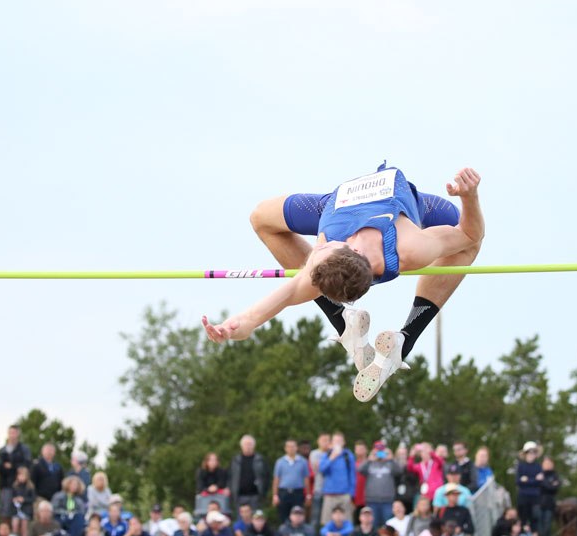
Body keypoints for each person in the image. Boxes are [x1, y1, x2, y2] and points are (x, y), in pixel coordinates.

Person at [201, 165, 484, 403]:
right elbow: (471, 233)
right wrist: (469, 198)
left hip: (334, 207)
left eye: (319, 251)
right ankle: (391, 339)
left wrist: (238, 326)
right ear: (351, 250)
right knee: (470, 243)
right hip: (404, 205)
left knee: (261, 219)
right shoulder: (409, 246)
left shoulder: (332, 255)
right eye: (321, 251)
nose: (314, 251)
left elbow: (267, 306)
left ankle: (369, 330)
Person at [318, 433, 357, 526]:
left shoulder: (348, 456)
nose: (338, 443)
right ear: (332, 443)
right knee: (327, 522)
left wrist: (351, 494)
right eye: (336, 441)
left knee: (347, 521)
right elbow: (322, 469)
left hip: (344, 494)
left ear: (344, 443)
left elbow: (352, 476)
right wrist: (332, 458)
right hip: (329, 494)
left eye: (340, 441)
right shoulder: (327, 455)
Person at [0, 425, 32, 518]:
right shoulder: (2, 450)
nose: (12, 435)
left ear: (18, 434)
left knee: (21, 513)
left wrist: (12, 466)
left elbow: (26, 465)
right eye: (10, 433)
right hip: (6, 485)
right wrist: (13, 467)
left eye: (14, 433)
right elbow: (0, 467)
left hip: (21, 487)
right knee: (5, 511)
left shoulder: (24, 449)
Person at [229, 434, 269, 515]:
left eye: (250, 444)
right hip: (239, 496)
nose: (248, 446)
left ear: (254, 446)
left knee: (255, 518)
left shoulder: (260, 460)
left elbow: (266, 477)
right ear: (241, 446)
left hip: (255, 496)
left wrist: (263, 491)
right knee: (240, 518)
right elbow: (230, 476)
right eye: (245, 444)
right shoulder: (235, 460)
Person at [272, 439, 311, 519]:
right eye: (289, 447)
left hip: (298, 493)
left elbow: (306, 479)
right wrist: (275, 495)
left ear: (297, 448)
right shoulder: (280, 462)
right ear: (285, 448)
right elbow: (276, 479)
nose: (291, 449)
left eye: (293, 446)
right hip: (284, 492)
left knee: (298, 515)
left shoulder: (303, 461)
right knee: (283, 515)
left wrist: (308, 495)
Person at [515, 442, 542, 532]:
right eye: (529, 452)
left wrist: (527, 480)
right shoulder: (521, 466)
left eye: (533, 452)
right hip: (523, 498)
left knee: (535, 519)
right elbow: (518, 481)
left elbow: (540, 482)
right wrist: (534, 480)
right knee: (523, 519)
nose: (531, 455)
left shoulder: (538, 466)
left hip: (535, 498)